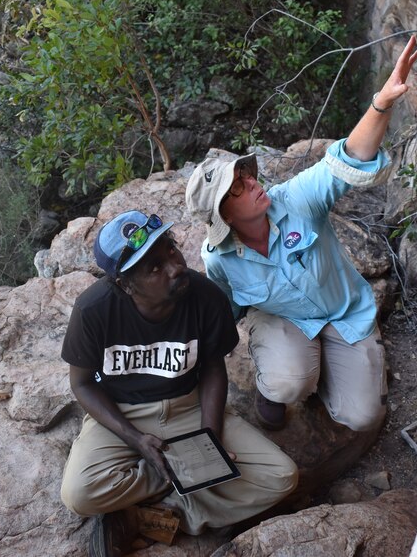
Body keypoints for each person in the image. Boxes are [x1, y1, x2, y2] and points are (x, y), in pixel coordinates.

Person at [185, 36, 417, 432]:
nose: (252, 182)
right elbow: (226, 312)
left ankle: (328, 371)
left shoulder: (295, 199)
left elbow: (348, 159)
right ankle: (278, 383)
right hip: (286, 321)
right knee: (287, 382)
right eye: (238, 187)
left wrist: (382, 103)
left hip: (345, 314)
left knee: (361, 418)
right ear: (223, 212)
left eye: (245, 175)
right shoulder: (218, 257)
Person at [59, 210, 298, 557]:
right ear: (125, 284)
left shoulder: (205, 296)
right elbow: (82, 385)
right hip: (123, 416)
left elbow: (214, 368)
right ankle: (177, 482)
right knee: (78, 494)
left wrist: (209, 438)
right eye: (154, 267)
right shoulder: (93, 310)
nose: (174, 267)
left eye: (170, 249)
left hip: (190, 406)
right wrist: (137, 440)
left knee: (282, 477)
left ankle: (154, 515)